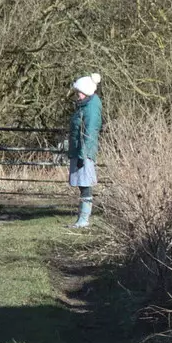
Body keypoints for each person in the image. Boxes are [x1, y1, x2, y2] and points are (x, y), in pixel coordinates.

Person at [69, 73, 103, 228]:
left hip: (84, 151)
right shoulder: (86, 106)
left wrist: (83, 154)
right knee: (83, 184)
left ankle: (84, 219)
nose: (77, 95)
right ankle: (82, 218)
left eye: (79, 92)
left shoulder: (90, 109)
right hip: (80, 149)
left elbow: (89, 131)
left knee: (85, 184)